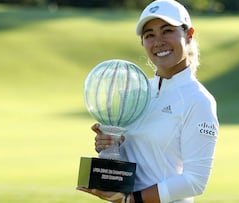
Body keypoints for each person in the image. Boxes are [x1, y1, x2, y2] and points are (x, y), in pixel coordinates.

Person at [77, 0, 219, 202]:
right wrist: (110, 147)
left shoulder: (198, 100)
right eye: (149, 35)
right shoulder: (138, 93)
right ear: (142, 43)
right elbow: (131, 163)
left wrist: (131, 200)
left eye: (167, 31)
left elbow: (195, 181)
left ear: (188, 35)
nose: (158, 41)